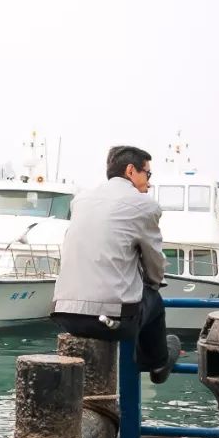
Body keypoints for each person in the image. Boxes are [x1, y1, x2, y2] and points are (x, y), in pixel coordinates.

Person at [51, 145, 180, 384]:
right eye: (147, 174)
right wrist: (153, 283)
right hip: (110, 321)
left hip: (65, 314)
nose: (149, 183)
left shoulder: (81, 200)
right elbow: (155, 263)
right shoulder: (145, 205)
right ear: (131, 170)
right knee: (154, 300)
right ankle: (157, 363)